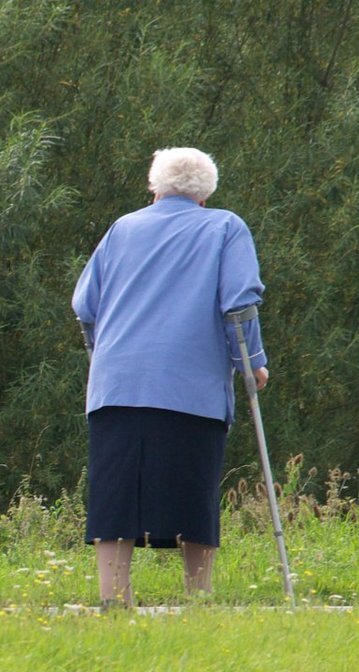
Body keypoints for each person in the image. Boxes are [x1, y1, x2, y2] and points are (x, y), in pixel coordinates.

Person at [71, 147, 269, 609]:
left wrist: (103, 356)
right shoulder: (225, 227)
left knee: (114, 494)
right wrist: (251, 362)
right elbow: (239, 305)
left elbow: (85, 306)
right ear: (206, 193)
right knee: (192, 490)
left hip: (116, 385)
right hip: (191, 387)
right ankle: (198, 599)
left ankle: (113, 599)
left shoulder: (122, 228)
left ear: (155, 186)